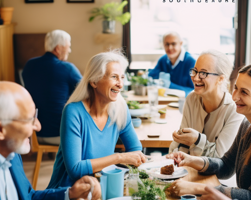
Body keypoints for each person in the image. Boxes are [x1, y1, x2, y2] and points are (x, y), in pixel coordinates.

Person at [168, 63, 251, 200]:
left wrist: (196, 188)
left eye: (244, 92)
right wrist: (192, 160)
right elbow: (226, 166)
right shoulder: (247, 124)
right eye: (235, 88)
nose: (235, 97)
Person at [47, 50, 145, 189]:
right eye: (114, 77)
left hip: (102, 186)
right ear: (94, 81)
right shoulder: (73, 112)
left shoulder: (120, 108)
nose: (120, 84)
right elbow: (75, 170)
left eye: (122, 77)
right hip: (69, 192)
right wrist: (119, 158)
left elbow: (135, 149)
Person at [169, 50, 243, 157]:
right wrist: (176, 154)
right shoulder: (191, 98)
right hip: (189, 170)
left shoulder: (234, 110)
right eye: (195, 71)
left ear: (221, 79)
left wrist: (197, 139)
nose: (195, 78)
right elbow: (182, 144)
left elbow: (220, 158)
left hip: (216, 174)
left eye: (203, 73)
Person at [22, 29, 82, 145]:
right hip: (59, 134)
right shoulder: (67, 68)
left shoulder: (29, 65)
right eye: (68, 46)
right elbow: (86, 90)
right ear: (58, 48)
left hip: (34, 132)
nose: (70, 50)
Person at [148, 31, 196, 96]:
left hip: (183, 103)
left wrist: (170, 85)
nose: (170, 48)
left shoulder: (191, 62)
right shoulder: (163, 60)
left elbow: (194, 91)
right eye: (167, 44)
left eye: (173, 44)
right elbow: (150, 78)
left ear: (180, 44)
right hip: (166, 101)